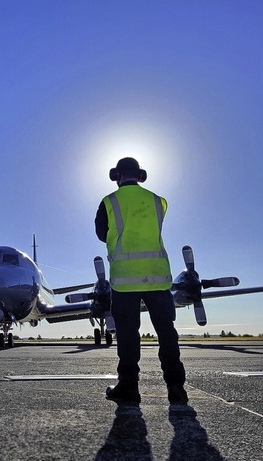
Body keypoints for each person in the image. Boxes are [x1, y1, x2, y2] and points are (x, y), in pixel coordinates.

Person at [95, 157, 187, 405]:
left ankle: (129, 387)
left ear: (116, 177)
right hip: (157, 278)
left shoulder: (109, 202)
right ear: (141, 176)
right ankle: (176, 387)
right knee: (167, 332)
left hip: (125, 281)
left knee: (127, 335)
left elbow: (101, 234)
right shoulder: (159, 201)